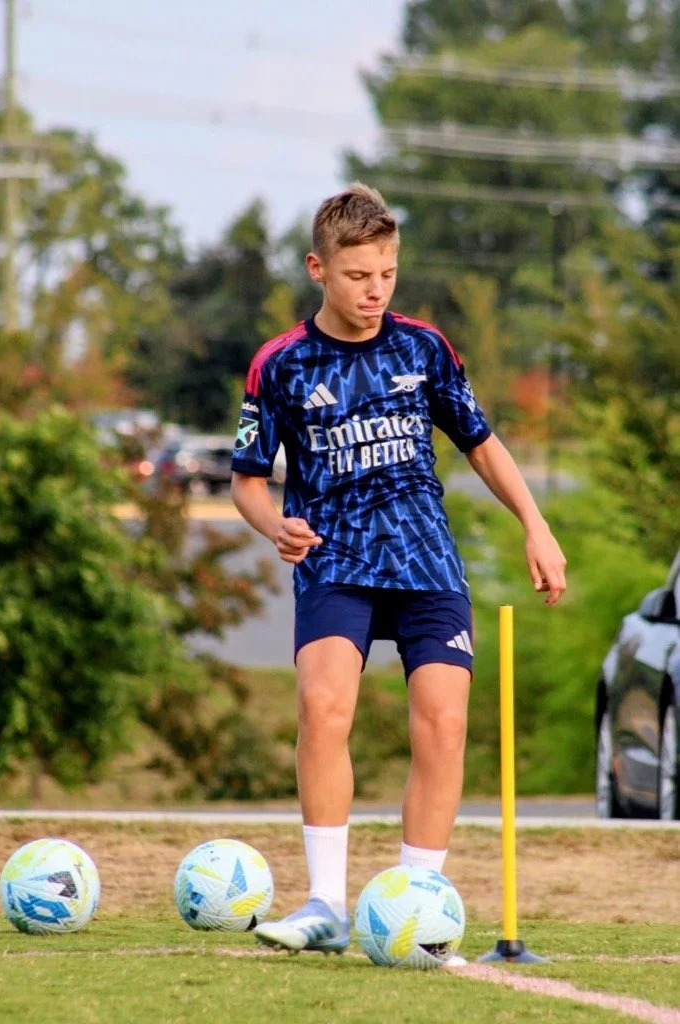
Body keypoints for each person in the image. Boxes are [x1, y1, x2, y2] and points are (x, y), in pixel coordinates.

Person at [230, 183, 566, 958]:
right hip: (334, 559)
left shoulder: (424, 348)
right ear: (320, 267)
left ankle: (419, 909)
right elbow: (247, 477)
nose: (374, 290)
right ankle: (324, 906)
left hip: (424, 557)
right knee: (324, 708)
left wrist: (535, 525)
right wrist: (271, 522)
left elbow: (481, 442)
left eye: (386, 273)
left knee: (444, 723)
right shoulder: (281, 364)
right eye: (357, 275)